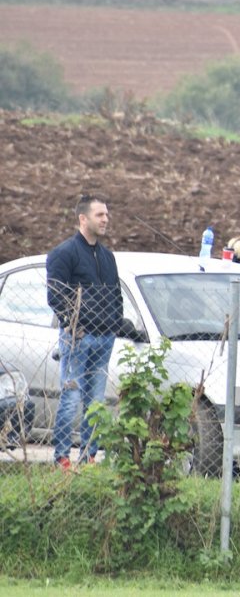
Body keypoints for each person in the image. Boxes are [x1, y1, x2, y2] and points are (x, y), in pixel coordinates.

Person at [46, 194, 124, 471]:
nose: (105, 219)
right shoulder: (63, 253)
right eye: (99, 214)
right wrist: (74, 323)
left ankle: (88, 456)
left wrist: (116, 323)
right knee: (72, 397)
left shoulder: (107, 256)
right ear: (83, 218)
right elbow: (55, 296)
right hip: (78, 337)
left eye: (106, 214)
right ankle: (62, 458)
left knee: (96, 401)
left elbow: (116, 294)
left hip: (105, 339)